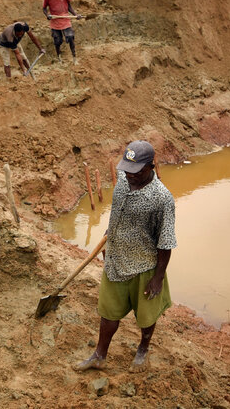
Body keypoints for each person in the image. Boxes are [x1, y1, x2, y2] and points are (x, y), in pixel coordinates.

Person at [74, 140, 176, 372]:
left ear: (150, 166)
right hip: (115, 261)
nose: (130, 175)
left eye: (136, 171)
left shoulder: (162, 199)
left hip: (144, 266)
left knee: (146, 317)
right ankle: (99, 355)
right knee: (108, 312)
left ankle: (143, 350)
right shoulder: (122, 179)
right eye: (127, 170)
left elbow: (166, 242)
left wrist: (158, 278)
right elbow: (117, 212)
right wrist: (110, 233)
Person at [42, 0, 82, 64]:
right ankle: (59, 58)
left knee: (70, 37)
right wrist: (47, 15)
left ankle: (74, 58)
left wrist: (75, 15)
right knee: (57, 41)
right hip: (55, 21)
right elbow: (44, 8)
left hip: (65, 19)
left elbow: (69, 6)